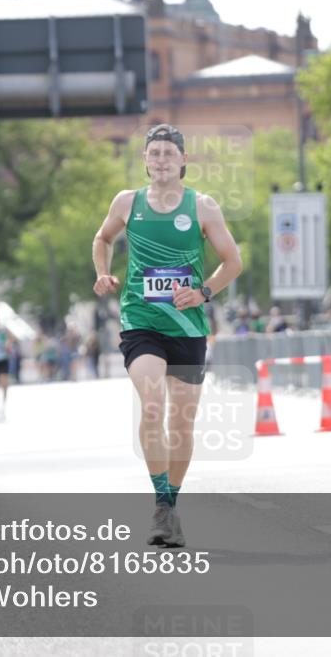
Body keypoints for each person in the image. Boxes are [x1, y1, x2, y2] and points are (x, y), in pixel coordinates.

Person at [92, 123, 242, 548]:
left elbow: (232, 261)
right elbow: (102, 238)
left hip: (188, 326)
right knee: (153, 404)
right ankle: (161, 502)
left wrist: (203, 292)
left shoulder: (203, 207)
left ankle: (171, 504)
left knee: (182, 421)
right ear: (144, 160)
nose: (160, 160)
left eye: (168, 153)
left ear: (182, 161)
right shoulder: (127, 202)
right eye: (153, 152)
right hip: (141, 321)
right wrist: (103, 273)